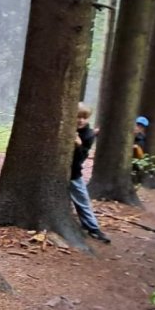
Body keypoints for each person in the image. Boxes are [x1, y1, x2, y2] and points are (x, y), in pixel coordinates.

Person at [69, 103, 110, 243]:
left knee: (82, 201)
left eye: (84, 117)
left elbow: (82, 158)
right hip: (58, 174)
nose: (81, 120)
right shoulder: (66, 129)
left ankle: (93, 228)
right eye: (78, 117)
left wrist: (79, 145)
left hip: (74, 174)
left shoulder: (88, 134)